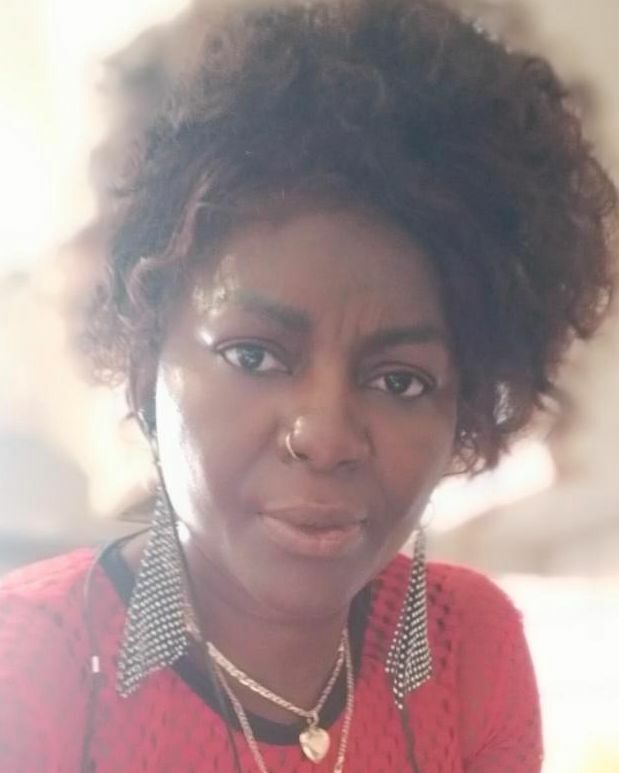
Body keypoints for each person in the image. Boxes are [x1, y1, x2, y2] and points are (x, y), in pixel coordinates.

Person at [0, 0, 616, 770]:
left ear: (464, 408)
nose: (324, 435)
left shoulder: (466, 646)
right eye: (254, 355)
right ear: (147, 355)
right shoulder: (31, 665)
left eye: (400, 379)